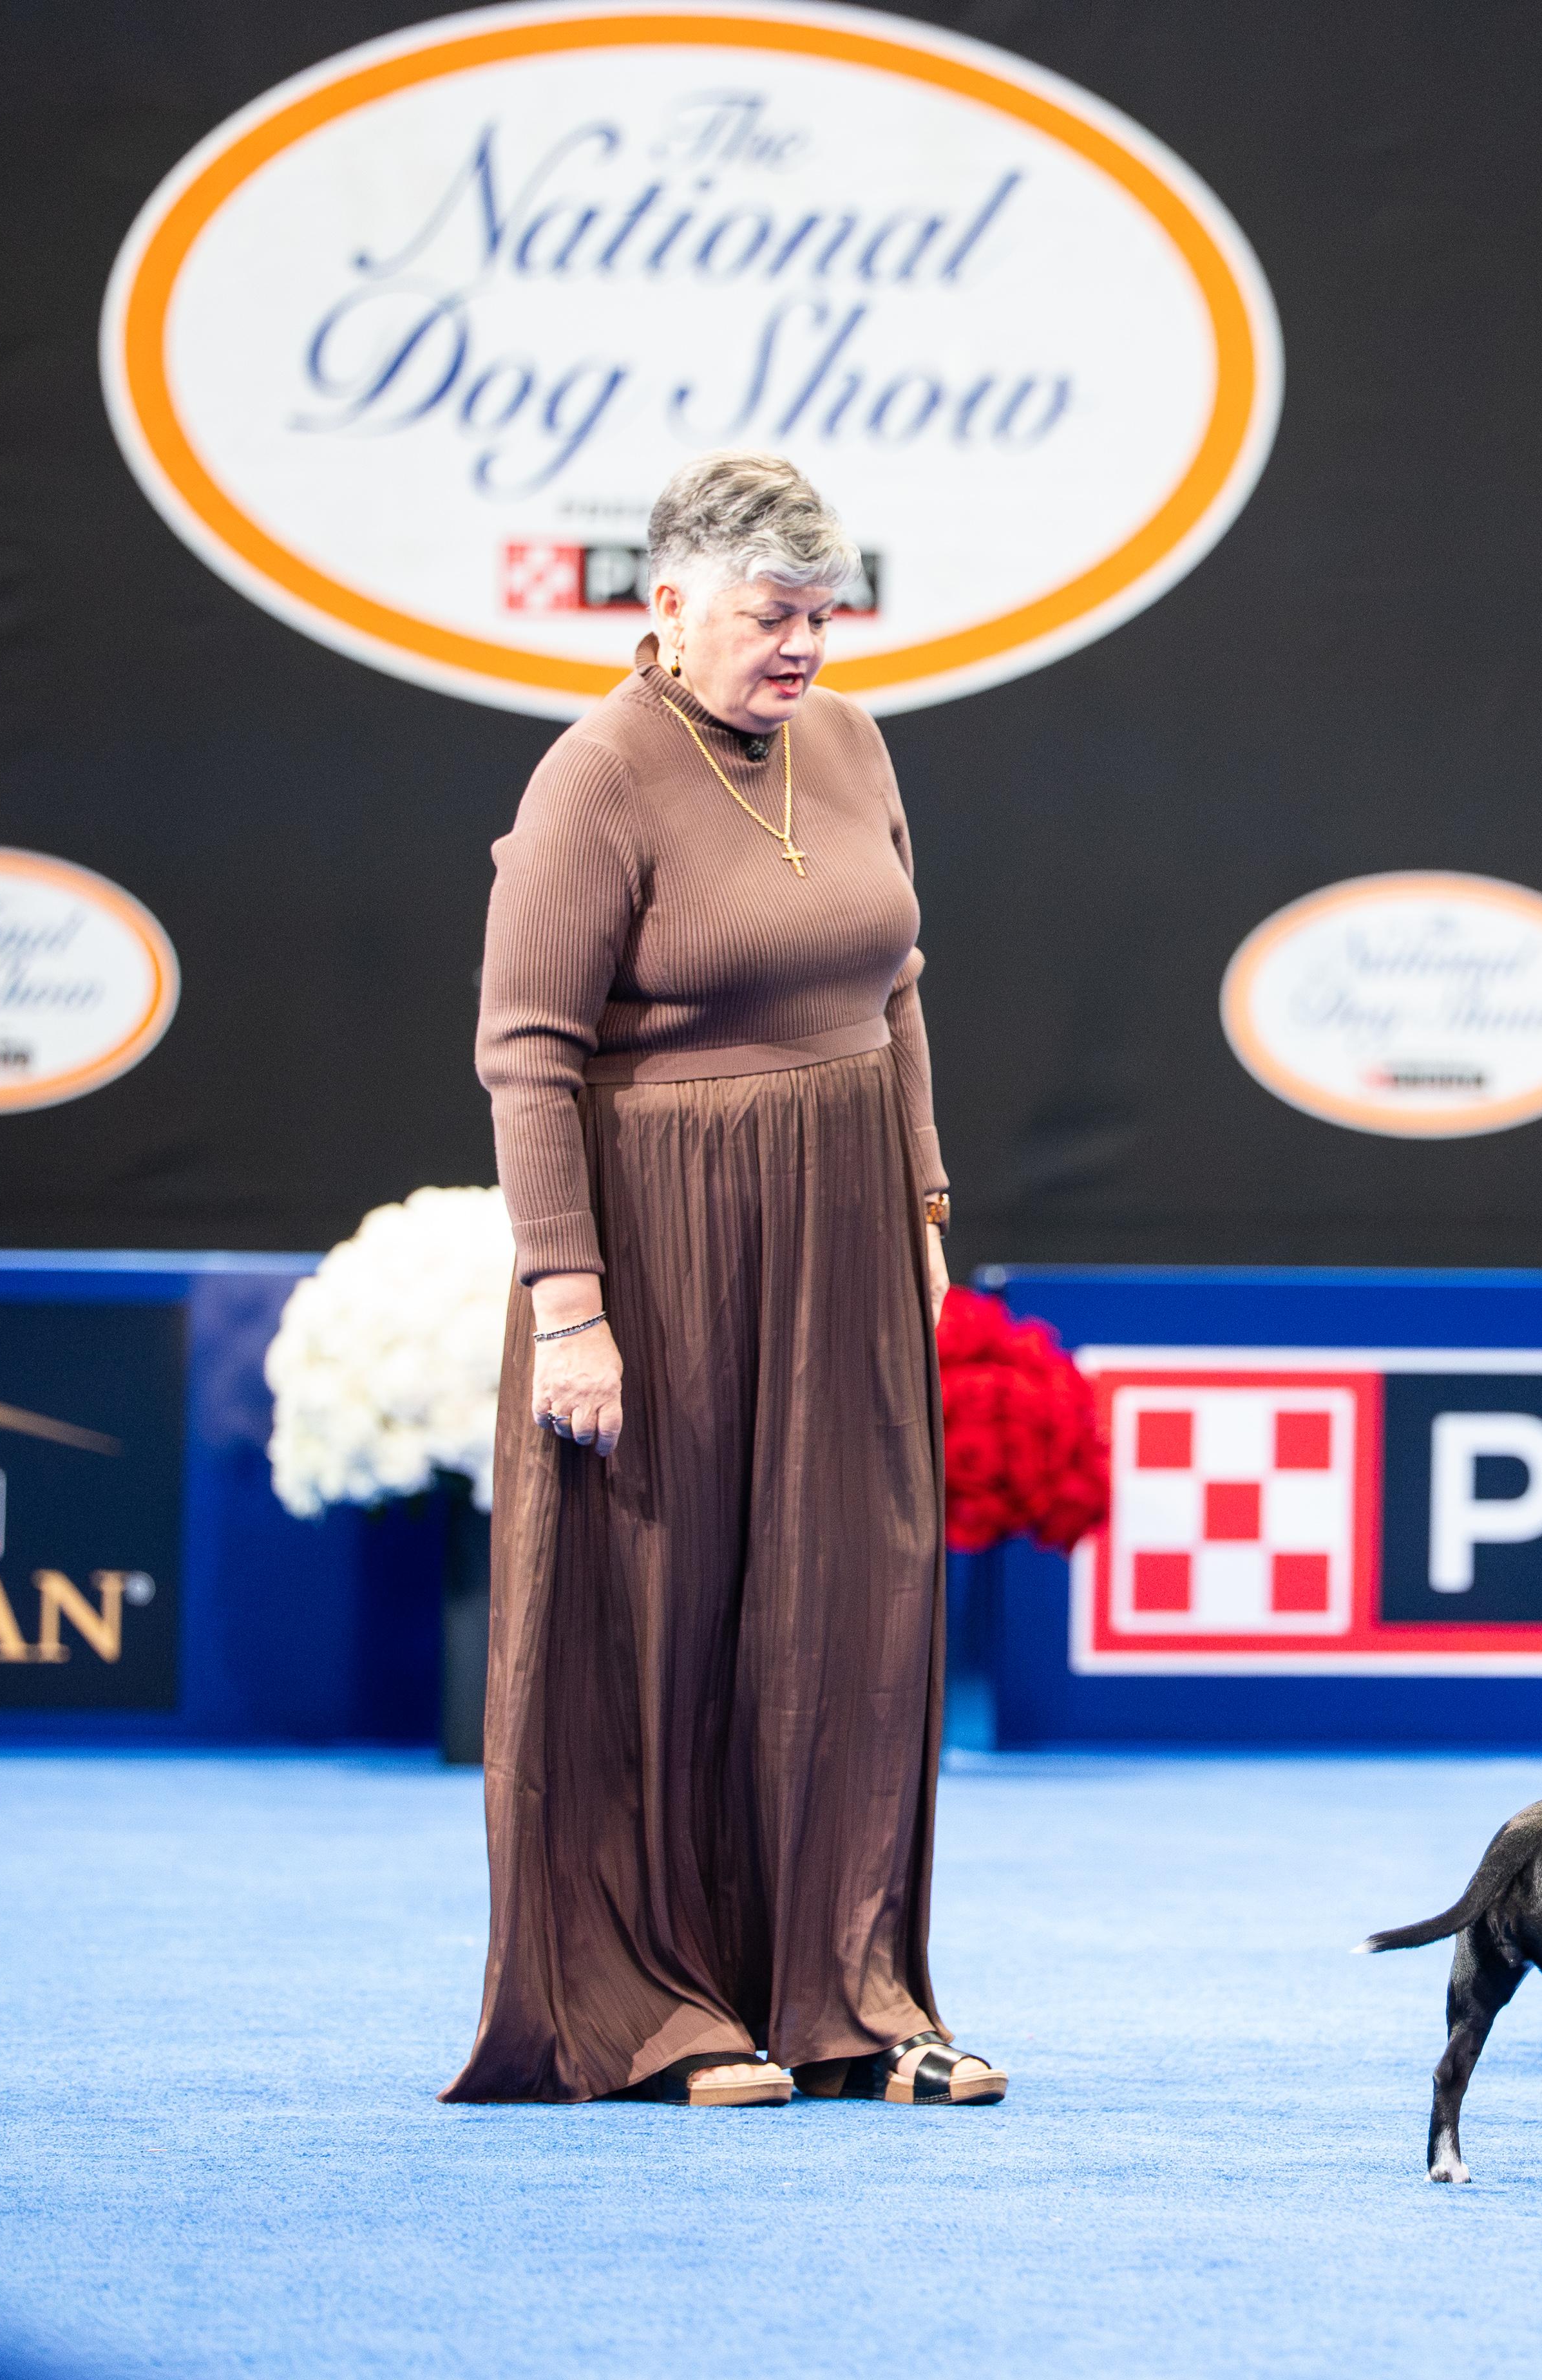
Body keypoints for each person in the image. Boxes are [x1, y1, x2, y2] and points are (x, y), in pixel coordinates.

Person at [443, 449, 1004, 2111]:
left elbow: (900, 989)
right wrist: (570, 1304)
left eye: (823, 614)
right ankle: (654, 2014)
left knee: (857, 1608)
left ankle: (854, 2002)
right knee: (657, 1626)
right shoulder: (595, 778)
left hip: (848, 1227)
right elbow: (526, 1055)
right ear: (672, 605)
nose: (806, 646)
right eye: (774, 616)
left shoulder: (855, 744)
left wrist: (922, 1203)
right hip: (664, 1240)